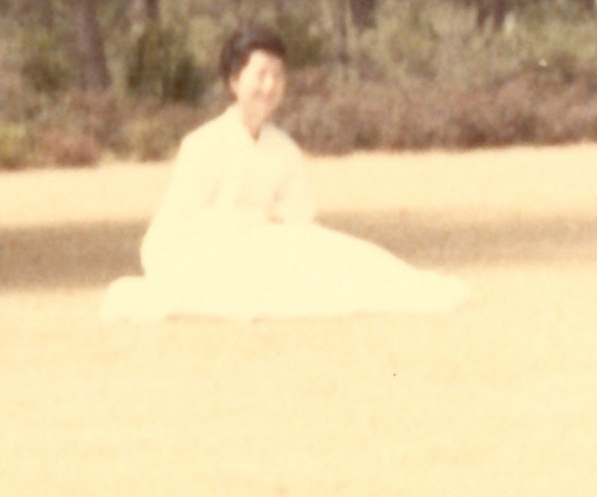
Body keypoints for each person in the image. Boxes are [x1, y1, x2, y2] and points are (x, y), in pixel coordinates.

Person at [100, 26, 464, 322]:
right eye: (260, 75)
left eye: (278, 76)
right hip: (196, 251)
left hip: (264, 244)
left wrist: (273, 224)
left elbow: (300, 214)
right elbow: (183, 221)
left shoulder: (284, 148)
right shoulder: (203, 144)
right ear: (234, 82)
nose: (270, 86)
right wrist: (251, 221)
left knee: (339, 253)